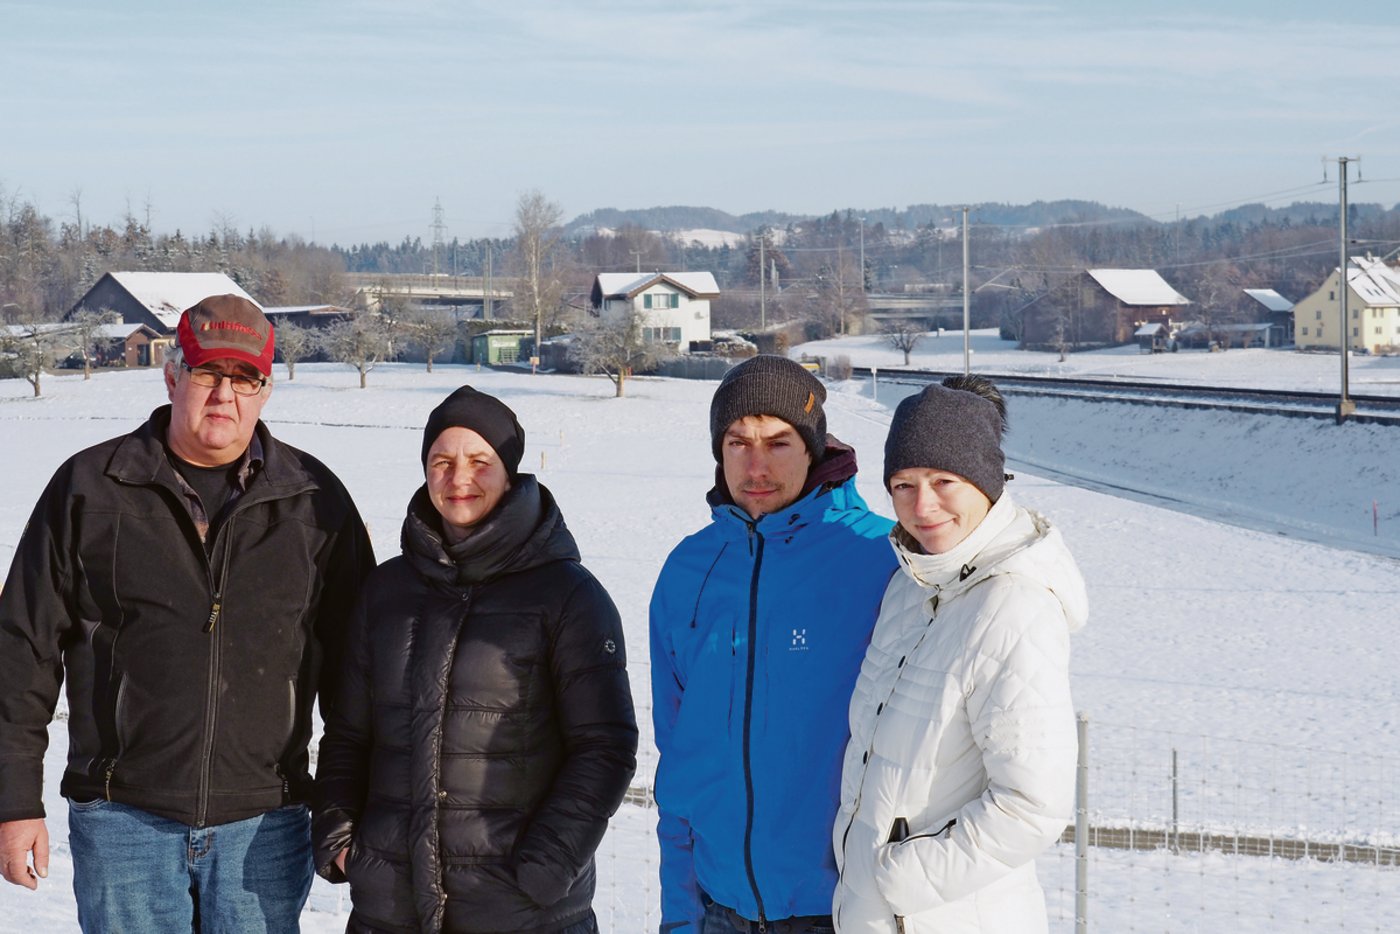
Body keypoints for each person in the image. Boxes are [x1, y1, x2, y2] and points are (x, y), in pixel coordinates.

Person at [0, 294, 374, 930]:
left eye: (245, 379)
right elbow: (21, 650)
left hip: (265, 824)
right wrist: (14, 801)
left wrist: (353, 804)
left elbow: (358, 673)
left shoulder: (316, 504)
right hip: (123, 822)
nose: (224, 395)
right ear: (171, 374)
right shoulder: (90, 488)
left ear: (267, 389)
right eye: (207, 373)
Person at [313, 385, 638, 934]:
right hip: (389, 910)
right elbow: (348, 734)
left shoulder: (567, 595)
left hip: (522, 914)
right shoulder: (385, 590)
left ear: (509, 470)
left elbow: (604, 746)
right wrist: (341, 842)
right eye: (441, 461)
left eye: (479, 461)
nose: (458, 479)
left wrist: (546, 869)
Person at [650, 355, 898, 933]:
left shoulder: (880, 560)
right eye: (737, 442)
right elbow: (678, 761)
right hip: (718, 911)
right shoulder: (689, 570)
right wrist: (681, 917)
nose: (755, 465)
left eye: (778, 443)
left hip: (841, 912)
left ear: (814, 448)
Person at [832, 376, 1088, 933]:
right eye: (903, 484)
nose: (923, 506)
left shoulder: (1013, 606)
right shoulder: (912, 584)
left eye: (943, 480)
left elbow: (1032, 805)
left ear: (987, 482)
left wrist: (900, 877)